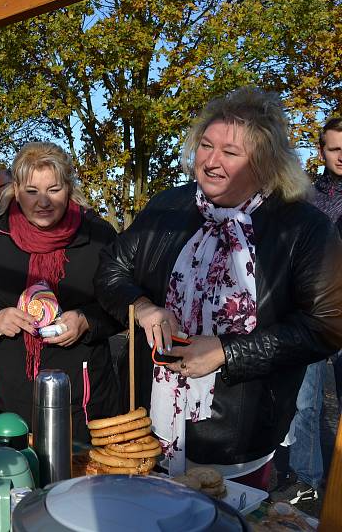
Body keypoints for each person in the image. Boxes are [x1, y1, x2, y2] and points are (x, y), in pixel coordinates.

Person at [94, 87, 342, 491]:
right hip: (148, 424)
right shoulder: (167, 208)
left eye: (230, 152)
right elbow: (111, 269)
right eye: (205, 146)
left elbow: (327, 326)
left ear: (264, 163)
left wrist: (228, 351)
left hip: (237, 435)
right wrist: (141, 305)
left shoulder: (304, 228)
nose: (211, 161)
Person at [0, 142, 122, 441]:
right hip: (6, 392)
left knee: (76, 481)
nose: (43, 202)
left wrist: (87, 320)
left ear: (69, 188)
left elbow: (126, 307)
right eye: (32, 190)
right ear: (16, 190)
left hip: (81, 394)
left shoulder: (98, 236)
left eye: (54, 189)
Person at [272, 117, 342, 505]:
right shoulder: (307, 197)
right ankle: (307, 479)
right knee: (306, 402)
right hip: (312, 312)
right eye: (335, 149)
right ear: (322, 151)